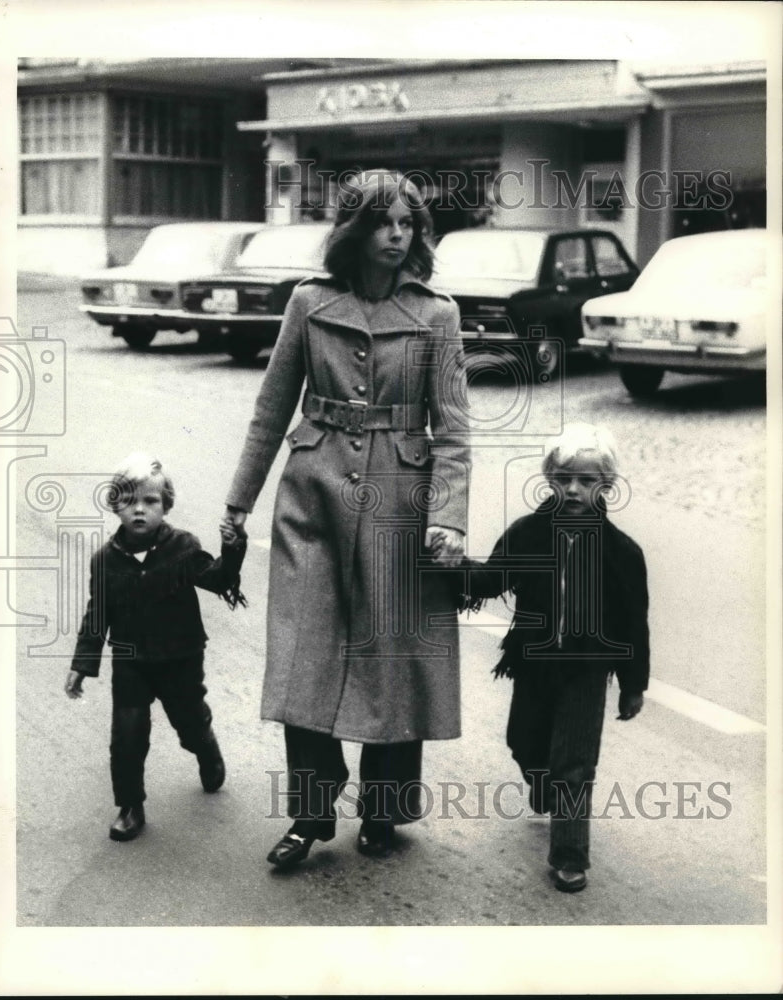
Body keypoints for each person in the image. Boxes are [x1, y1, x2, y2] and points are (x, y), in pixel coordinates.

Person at [223, 169, 471, 868]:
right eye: (384, 223)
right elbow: (272, 409)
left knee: (391, 662)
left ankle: (384, 811)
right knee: (305, 656)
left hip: (402, 502)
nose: (397, 236)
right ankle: (309, 815)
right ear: (354, 229)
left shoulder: (437, 313)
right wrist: (238, 503)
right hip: (313, 498)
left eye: (408, 224)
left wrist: (447, 518)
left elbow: (452, 427)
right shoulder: (309, 302)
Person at [460, 423, 649, 892]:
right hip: (533, 663)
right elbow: (489, 581)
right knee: (523, 741)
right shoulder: (527, 534)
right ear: (549, 479)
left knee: (575, 763)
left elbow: (633, 623)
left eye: (586, 481)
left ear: (606, 484)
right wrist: (451, 565)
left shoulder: (622, 552)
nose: (573, 489)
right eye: (564, 479)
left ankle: (570, 855)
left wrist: (633, 685)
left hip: (587, 670)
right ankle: (539, 780)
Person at [65, 452, 247, 842]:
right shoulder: (105, 561)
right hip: (131, 661)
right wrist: (82, 664)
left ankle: (205, 747)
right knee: (127, 735)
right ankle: (131, 805)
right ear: (115, 506)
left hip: (180, 657)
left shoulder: (182, 546)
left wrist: (233, 549)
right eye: (130, 501)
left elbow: (218, 581)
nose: (140, 510)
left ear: (166, 506)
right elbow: (97, 616)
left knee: (189, 721)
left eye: (150, 501)